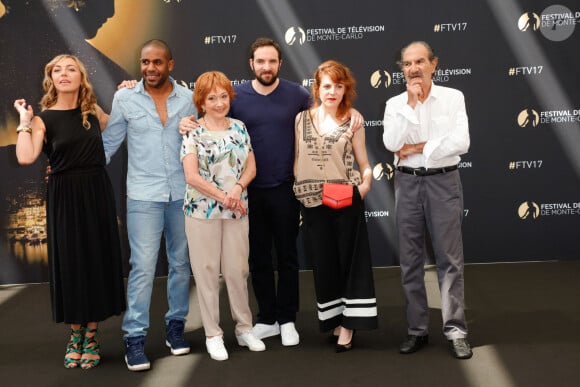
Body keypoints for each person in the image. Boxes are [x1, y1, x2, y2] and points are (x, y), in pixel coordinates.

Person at [180, 37, 363, 346]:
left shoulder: (298, 95)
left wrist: (352, 114)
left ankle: (287, 318)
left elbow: (323, 116)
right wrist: (187, 122)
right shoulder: (237, 97)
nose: (266, 67)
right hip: (248, 194)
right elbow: (213, 118)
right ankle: (267, 318)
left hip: (285, 190)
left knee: (288, 256)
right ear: (251, 64)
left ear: (280, 63)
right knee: (258, 258)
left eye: (272, 61)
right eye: (260, 61)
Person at [13, 54, 126, 369]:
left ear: (81, 77)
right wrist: (24, 120)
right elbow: (25, 156)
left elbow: (120, 124)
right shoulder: (42, 119)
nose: (64, 74)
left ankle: (92, 335)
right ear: (51, 78)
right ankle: (75, 334)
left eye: (71, 69)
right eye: (57, 70)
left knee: (94, 259)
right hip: (64, 195)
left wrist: (127, 91)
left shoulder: (94, 112)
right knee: (72, 263)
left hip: (96, 193)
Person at [103, 39, 195, 371]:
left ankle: (176, 328)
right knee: (142, 267)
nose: (150, 68)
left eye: (157, 62)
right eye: (145, 62)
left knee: (181, 264)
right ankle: (135, 338)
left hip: (182, 195)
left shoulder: (188, 99)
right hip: (142, 196)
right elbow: (109, 142)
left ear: (170, 64)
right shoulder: (124, 97)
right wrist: (72, 166)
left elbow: (203, 139)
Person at [382, 41, 472, 359]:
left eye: (420, 61)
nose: (414, 68)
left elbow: (462, 142)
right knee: (410, 262)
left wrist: (419, 147)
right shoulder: (395, 104)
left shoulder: (452, 98)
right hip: (407, 184)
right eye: (407, 64)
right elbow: (392, 142)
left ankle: (456, 330)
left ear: (434, 64)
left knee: (450, 261)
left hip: (444, 182)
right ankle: (417, 330)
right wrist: (410, 104)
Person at [293, 60, 377, 352]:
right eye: (327, 85)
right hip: (312, 205)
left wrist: (364, 187)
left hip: (345, 201)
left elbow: (365, 164)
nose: (332, 91)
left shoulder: (354, 120)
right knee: (324, 264)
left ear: (346, 89)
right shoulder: (301, 119)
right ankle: (336, 320)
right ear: (317, 88)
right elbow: (296, 160)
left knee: (349, 263)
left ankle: (350, 325)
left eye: (339, 86)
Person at [181, 71, 265, 361]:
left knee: (238, 271)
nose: (219, 103)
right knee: (206, 273)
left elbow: (251, 167)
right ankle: (213, 335)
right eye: (211, 98)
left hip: (237, 211)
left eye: (223, 96)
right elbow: (191, 176)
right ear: (201, 102)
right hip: (202, 213)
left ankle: (244, 329)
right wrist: (225, 197)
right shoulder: (192, 131)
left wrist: (238, 189)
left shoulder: (239, 127)